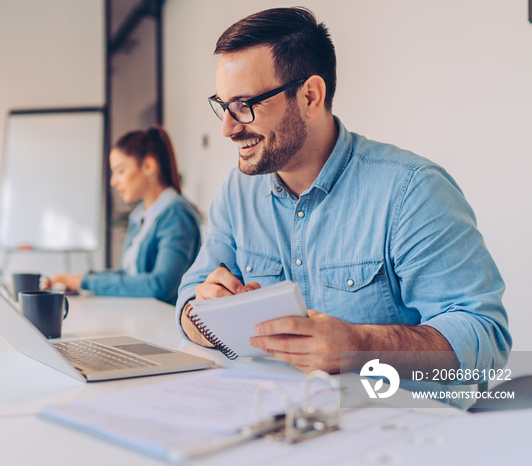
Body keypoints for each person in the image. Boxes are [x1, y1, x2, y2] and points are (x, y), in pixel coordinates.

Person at [176, 7, 511, 398]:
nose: (228, 127)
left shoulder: (412, 191)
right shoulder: (238, 193)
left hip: (399, 432)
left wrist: (359, 345)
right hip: (279, 421)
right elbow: (188, 298)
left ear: (310, 97)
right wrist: (205, 313)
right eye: (223, 105)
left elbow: (486, 340)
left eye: (245, 105)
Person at [49, 126, 201, 305]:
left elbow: (161, 285)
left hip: (167, 324)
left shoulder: (175, 214)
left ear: (148, 166)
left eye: (120, 171)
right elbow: (128, 274)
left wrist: (85, 282)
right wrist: (80, 280)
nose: (114, 181)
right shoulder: (141, 216)